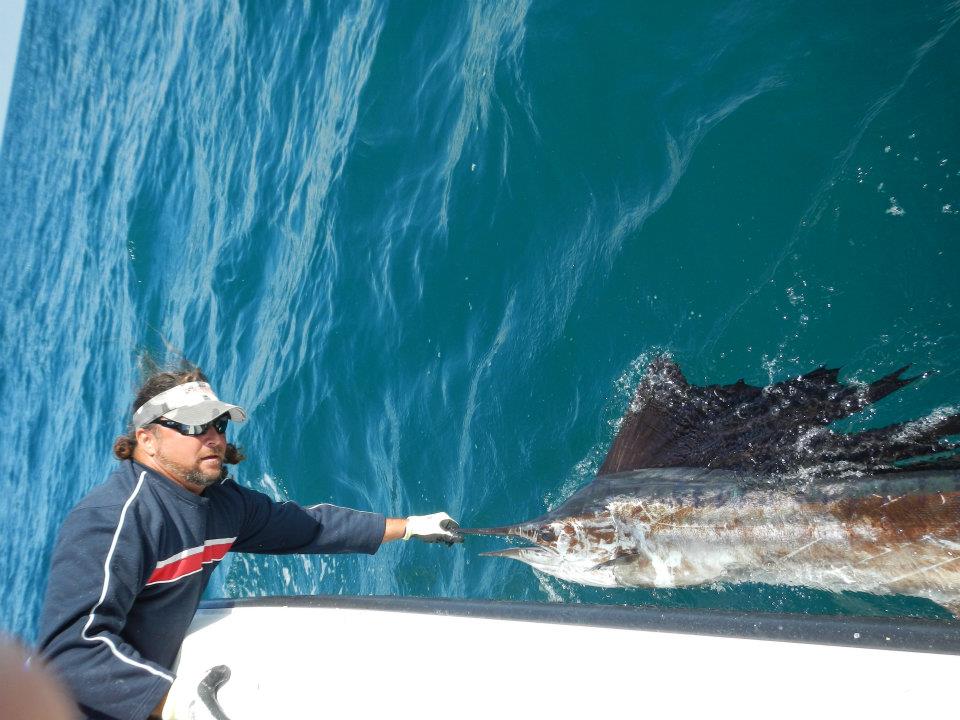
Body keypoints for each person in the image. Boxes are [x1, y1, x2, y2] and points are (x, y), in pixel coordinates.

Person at [37, 363, 461, 720]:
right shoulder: (113, 522)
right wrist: (180, 703)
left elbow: (307, 527)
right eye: (194, 426)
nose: (214, 438)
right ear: (146, 438)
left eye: (218, 424)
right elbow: (70, 654)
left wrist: (408, 526)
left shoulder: (222, 503)